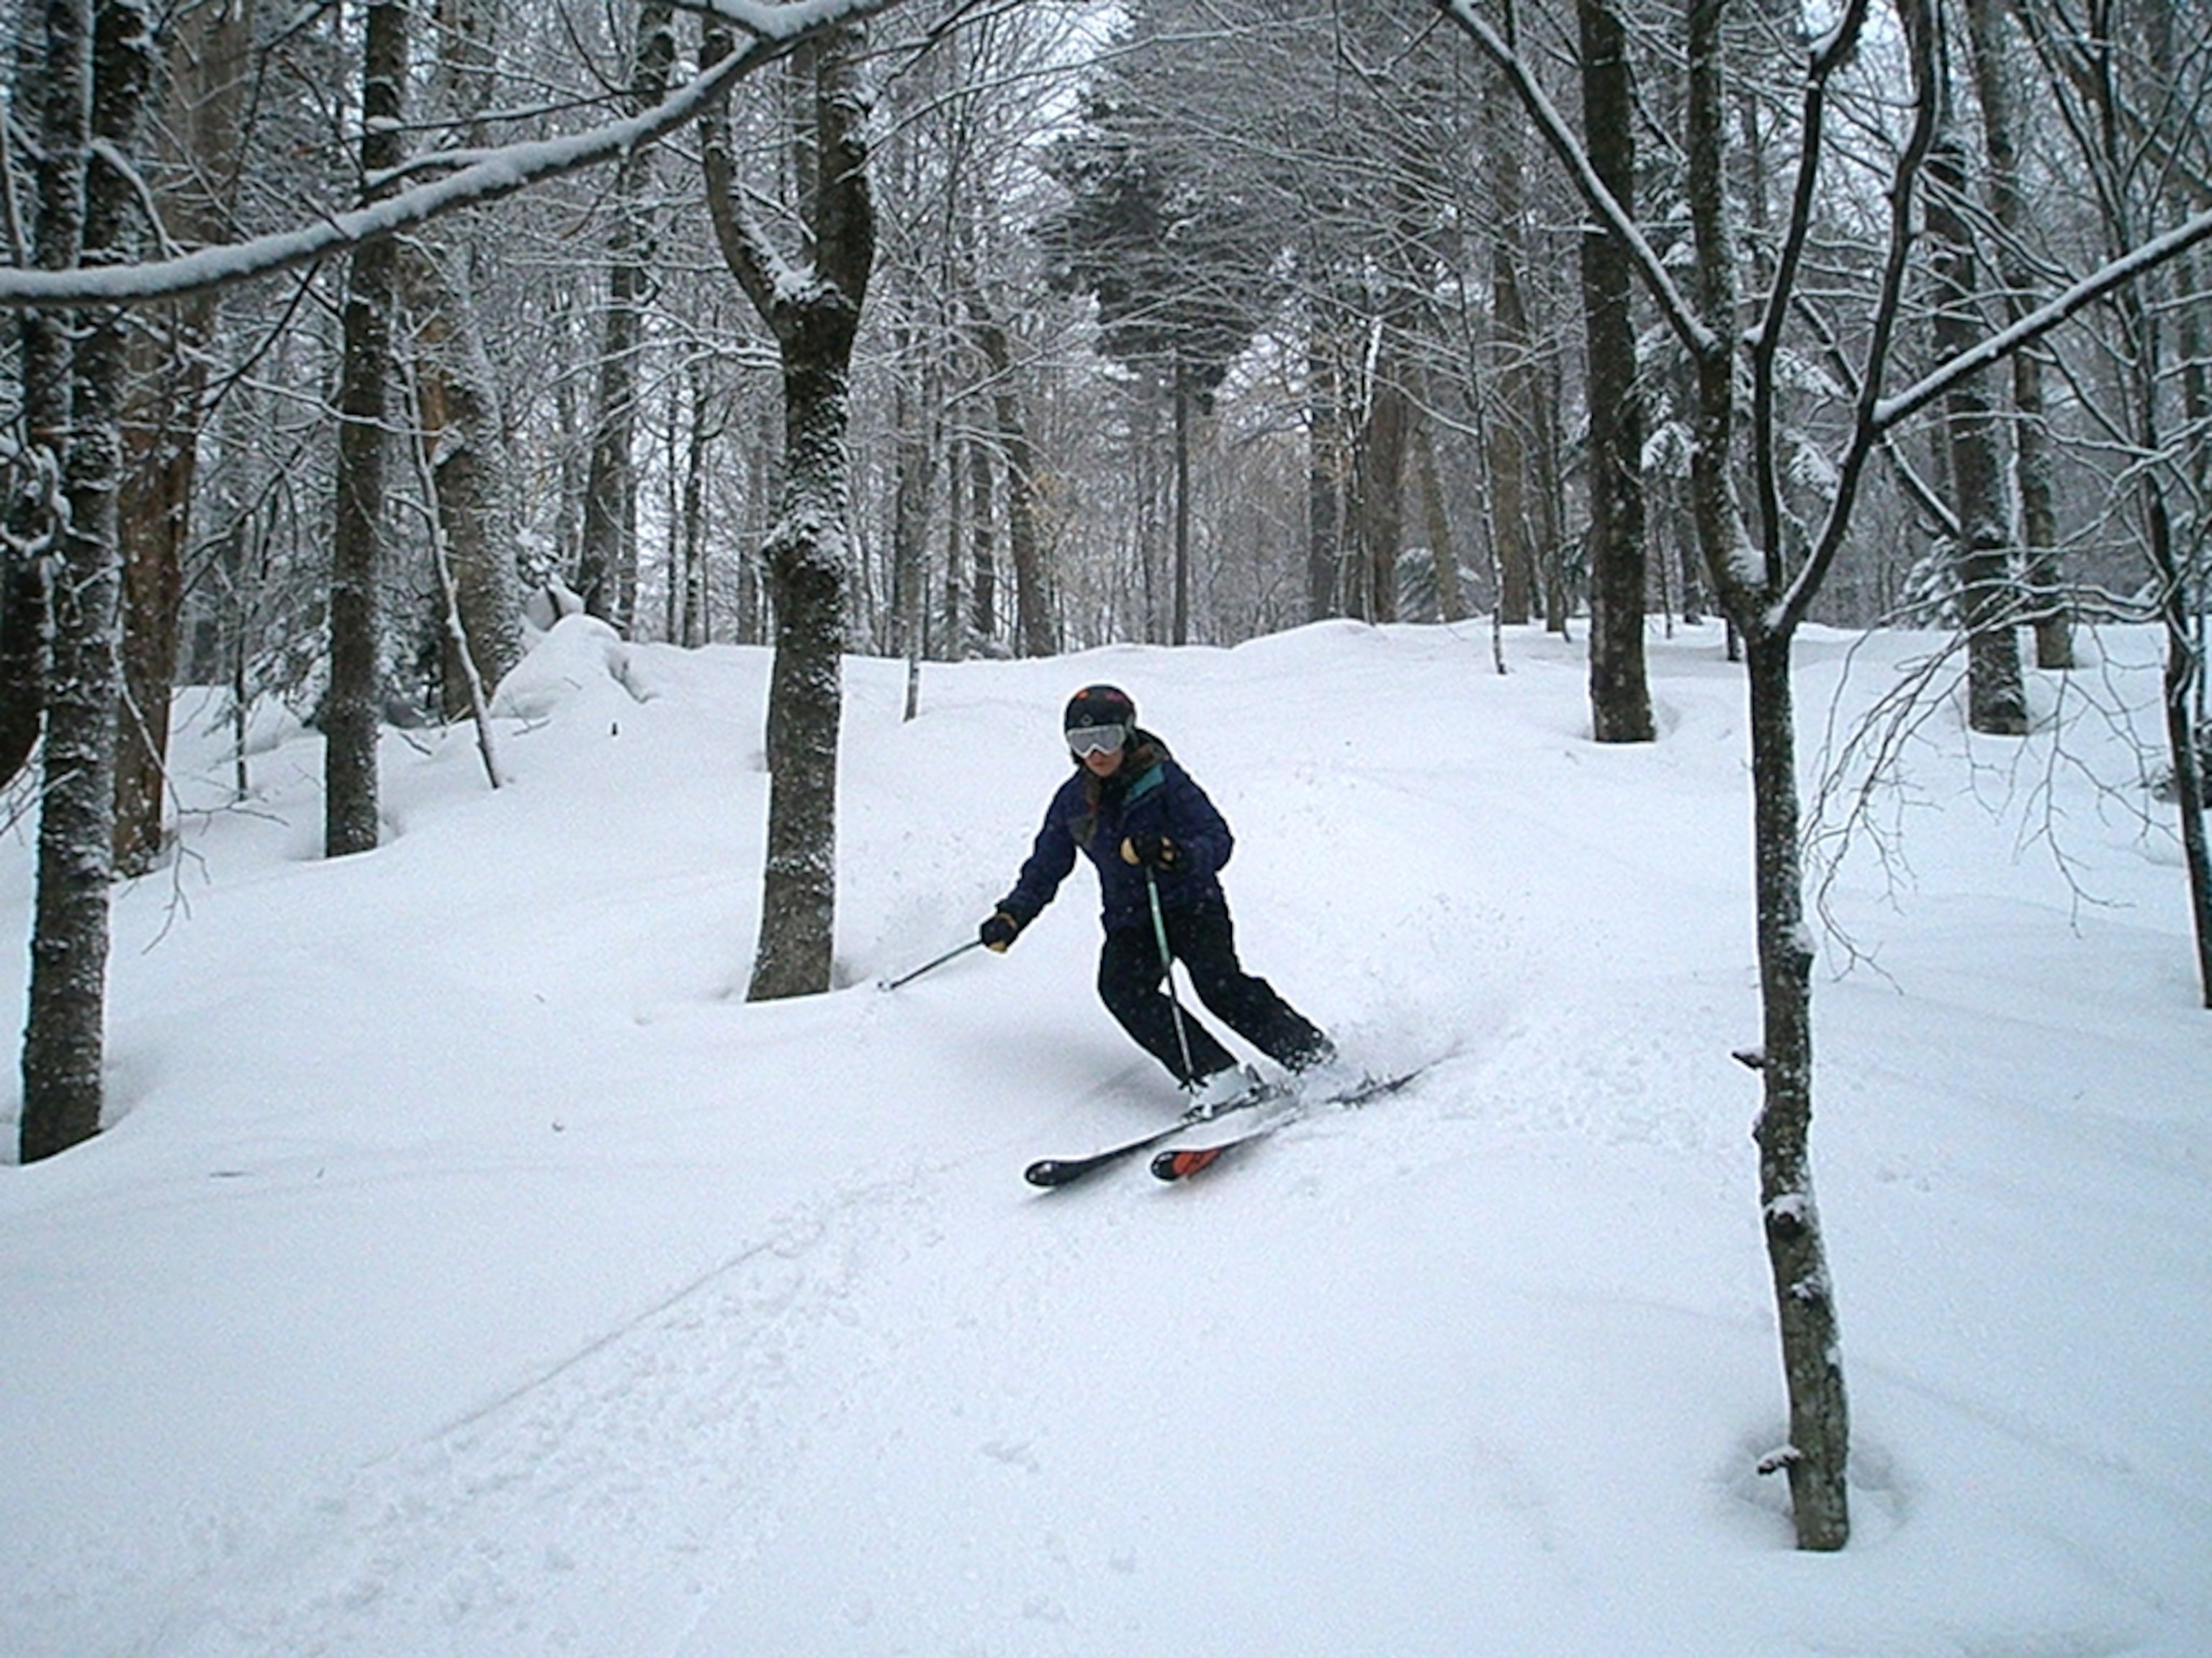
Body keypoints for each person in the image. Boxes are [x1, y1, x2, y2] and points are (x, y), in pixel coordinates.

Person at [980, 684, 1336, 1112]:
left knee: (1219, 989)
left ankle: (1314, 1060)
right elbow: (1046, 867)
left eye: (1107, 738)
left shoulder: (1163, 780)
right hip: (1132, 919)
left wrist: (1172, 852)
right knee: (1122, 990)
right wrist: (1012, 915)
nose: (1096, 752)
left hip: (1193, 905)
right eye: (1082, 742)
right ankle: (1215, 1076)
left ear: (1128, 733)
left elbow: (1218, 840)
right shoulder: (1072, 801)